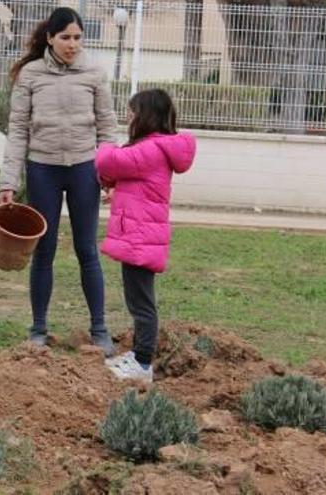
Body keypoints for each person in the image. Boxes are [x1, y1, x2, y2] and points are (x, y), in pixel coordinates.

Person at [0, 7, 119, 352]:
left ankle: (100, 330)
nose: (72, 44)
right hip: (43, 170)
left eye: (78, 37)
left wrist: (109, 174)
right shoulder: (31, 75)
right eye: (65, 37)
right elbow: (18, 130)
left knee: (86, 250)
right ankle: (38, 330)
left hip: (84, 170)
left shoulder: (94, 73)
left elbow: (108, 128)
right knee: (44, 251)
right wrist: (8, 182)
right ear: (50, 38)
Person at [95, 89, 196, 383]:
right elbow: (123, 172)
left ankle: (141, 364)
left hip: (141, 238)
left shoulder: (152, 149)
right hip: (141, 235)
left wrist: (104, 141)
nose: (128, 118)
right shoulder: (156, 148)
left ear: (146, 116)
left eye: (132, 112)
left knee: (141, 303)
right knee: (138, 299)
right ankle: (139, 357)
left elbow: (108, 162)